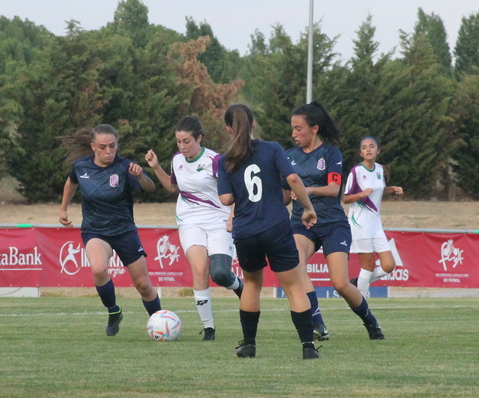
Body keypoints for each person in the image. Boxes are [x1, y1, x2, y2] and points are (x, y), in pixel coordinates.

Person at [216, 103, 321, 359]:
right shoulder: (272, 149)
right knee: (294, 285)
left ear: (229, 129)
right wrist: (308, 208)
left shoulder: (225, 159)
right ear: (253, 124)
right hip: (276, 227)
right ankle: (308, 346)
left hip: (246, 230)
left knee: (251, 284)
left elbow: (226, 199)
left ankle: (249, 344)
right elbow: (293, 180)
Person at [286, 102, 385, 341]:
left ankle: (370, 321)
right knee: (296, 267)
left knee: (340, 283)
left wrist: (307, 190)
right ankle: (318, 323)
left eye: (299, 129)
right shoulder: (289, 157)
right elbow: (283, 194)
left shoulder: (331, 154)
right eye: (292, 128)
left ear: (315, 129)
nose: (294, 134)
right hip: (302, 223)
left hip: (332, 223)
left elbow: (333, 189)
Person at [145, 115, 244, 341]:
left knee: (219, 273)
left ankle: (237, 284)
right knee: (200, 270)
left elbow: (235, 191)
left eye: (187, 141)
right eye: (179, 142)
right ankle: (208, 328)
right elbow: (173, 188)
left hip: (218, 219)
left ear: (199, 138)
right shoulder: (177, 160)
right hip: (190, 220)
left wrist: (232, 216)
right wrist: (156, 166)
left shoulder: (216, 160)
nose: (182, 146)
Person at [60, 124, 163, 336]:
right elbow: (71, 182)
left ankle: (160, 322)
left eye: (112, 146)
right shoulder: (81, 167)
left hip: (124, 231)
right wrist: (63, 209)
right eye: (103, 147)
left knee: (143, 285)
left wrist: (142, 175)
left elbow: (150, 188)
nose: (108, 152)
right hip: (95, 231)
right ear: (93, 147)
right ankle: (114, 311)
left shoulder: (126, 167)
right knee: (98, 269)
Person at [343, 136, 404, 296]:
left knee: (389, 265)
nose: (368, 150)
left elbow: (378, 190)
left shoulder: (379, 169)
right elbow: (345, 198)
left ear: (378, 150)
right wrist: (361, 194)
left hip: (375, 224)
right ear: (360, 152)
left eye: (371, 146)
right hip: (359, 224)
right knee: (368, 266)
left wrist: (392, 189)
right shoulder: (356, 171)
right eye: (364, 147)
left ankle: (357, 283)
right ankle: (361, 302)